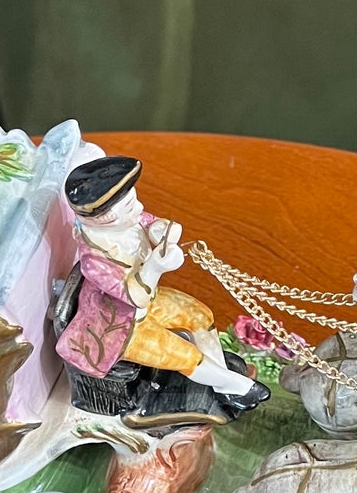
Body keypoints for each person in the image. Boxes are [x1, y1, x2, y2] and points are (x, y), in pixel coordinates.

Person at [55, 155, 259, 400]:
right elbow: (135, 297)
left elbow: (151, 223)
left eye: (134, 200)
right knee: (186, 355)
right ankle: (238, 387)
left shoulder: (127, 222)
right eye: (130, 206)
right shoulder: (95, 262)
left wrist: (165, 232)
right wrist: (155, 266)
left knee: (200, 316)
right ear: (105, 218)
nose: (139, 208)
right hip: (119, 329)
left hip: (149, 306)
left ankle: (219, 378)